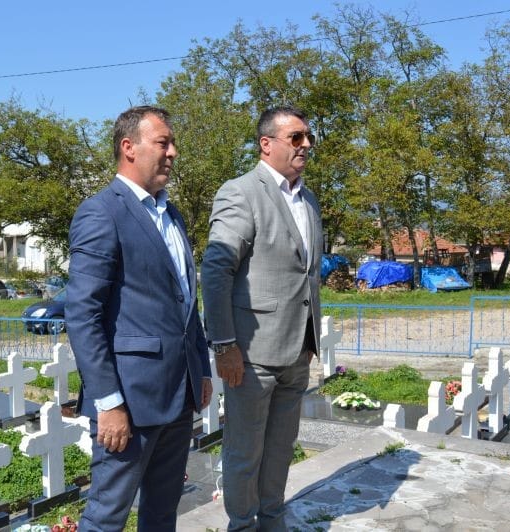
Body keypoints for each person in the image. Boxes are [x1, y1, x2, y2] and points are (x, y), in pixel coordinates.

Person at [66, 105, 212, 531]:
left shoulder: (171, 214)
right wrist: (108, 402)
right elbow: (83, 314)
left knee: (163, 513)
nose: (173, 152)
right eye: (163, 143)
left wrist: (201, 368)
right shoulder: (101, 212)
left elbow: (186, 302)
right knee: (106, 518)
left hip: (178, 395)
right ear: (129, 147)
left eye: (172, 143)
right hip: (129, 402)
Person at [201, 106, 323, 531]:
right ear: (266, 144)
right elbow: (216, 270)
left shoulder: (308, 199)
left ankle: (272, 520)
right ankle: (241, 524)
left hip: (297, 351)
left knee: (281, 448)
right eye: (296, 137)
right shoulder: (241, 192)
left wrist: (310, 340)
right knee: (244, 451)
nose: (305, 145)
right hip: (251, 355)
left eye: (308, 137)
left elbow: (305, 275)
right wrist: (224, 345)